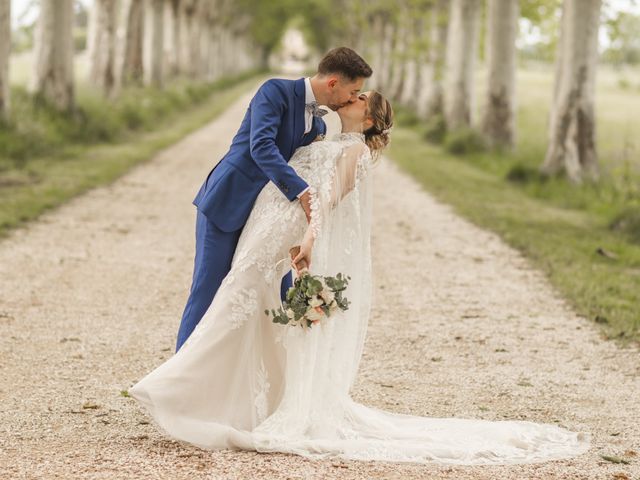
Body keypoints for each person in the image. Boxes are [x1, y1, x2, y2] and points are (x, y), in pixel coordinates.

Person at [130, 90, 590, 464]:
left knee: (238, 298)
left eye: (361, 96)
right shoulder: (323, 132)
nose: (352, 96)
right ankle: (224, 397)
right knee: (246, 305)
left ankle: (180, 392)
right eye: (355, 90)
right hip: (263, 223)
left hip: (285, 232)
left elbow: (327, 204)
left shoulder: (354, 152)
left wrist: (308, 242)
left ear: (368, 118)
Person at [175, 47, 373, 352]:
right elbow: (262, 147)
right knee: (207, 291)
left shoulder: (319, 125)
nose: (352, 98)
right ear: (333, 83)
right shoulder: (275, 91)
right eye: (353, 90)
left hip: (267, 221)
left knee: (268, 299)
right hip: (228, 201)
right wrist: (303, 191)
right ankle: (179, 383)